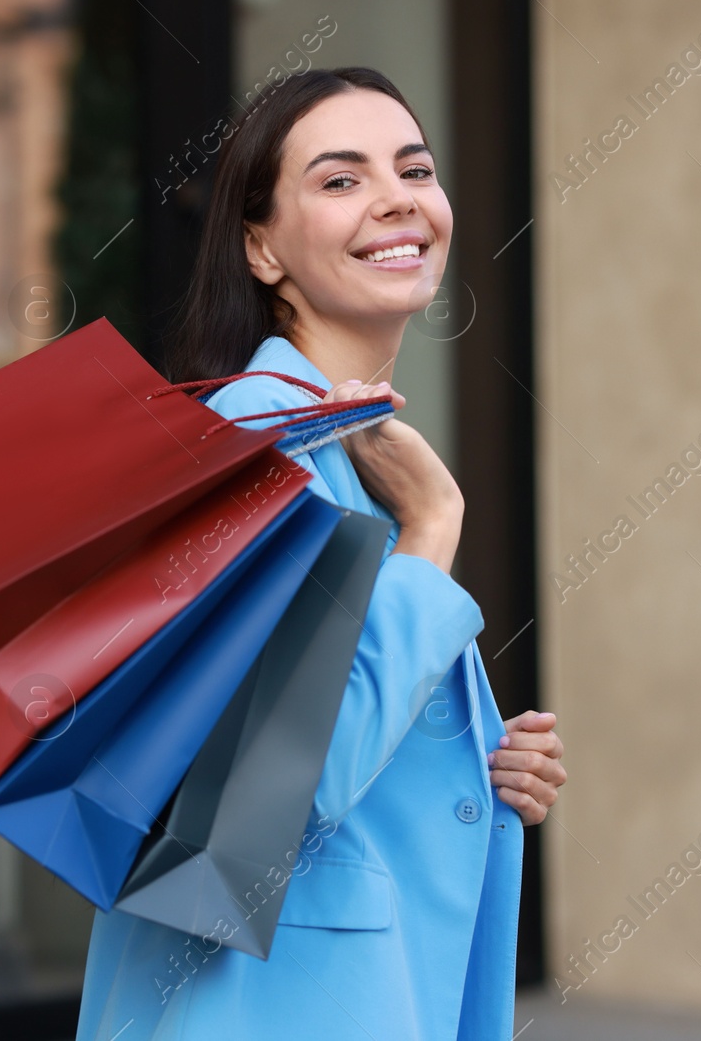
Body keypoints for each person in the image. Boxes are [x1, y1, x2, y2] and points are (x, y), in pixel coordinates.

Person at [75, 66, 567, 1041]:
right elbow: (278, 783)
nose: (396, 198)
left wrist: (477, 762)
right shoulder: (252, 447)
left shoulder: (339, 443)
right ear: (261, 248)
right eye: (340, 180)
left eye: (414, 169)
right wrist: (431, 529)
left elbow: (331, 716)